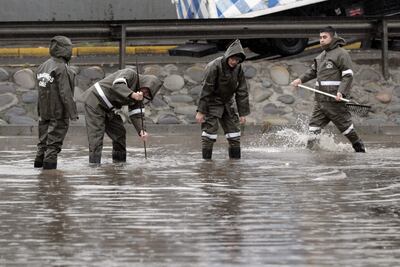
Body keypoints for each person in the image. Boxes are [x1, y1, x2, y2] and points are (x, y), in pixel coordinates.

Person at [291, 26, 366, 152]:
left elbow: (348, 75)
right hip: (320, 101)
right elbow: (312, 71)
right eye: (320, 37)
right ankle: (311, 153)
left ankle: (360, 149)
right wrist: (300, 80)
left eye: (324, 37)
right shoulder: (321, 56)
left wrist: (341, 92)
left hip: (335, 100)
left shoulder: (342, 54)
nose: (321, 40)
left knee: (346, 128)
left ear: (333, 38)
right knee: (313, 128)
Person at [82, 68, 161, 165]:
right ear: (146, 83)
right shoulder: (130, 73)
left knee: (119, 133)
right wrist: (133, 95)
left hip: (110, 109)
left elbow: (136, 114)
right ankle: (94, 166)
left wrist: (142, 130)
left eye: (148, 95)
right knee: (96, 137)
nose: (144, 94)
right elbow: (118, 86)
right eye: (146, 90)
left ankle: (119, 163)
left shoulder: (139, 96)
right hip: (94, 100)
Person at [195, 39, 250, 159]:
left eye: (237, 60)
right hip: (212, 102)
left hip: (227, 102)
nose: (234, 62)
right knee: (209, 134)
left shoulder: (238, 68)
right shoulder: (214, 66)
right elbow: (206, 89)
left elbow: (242, 91)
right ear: (228, 56)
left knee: (234, 133)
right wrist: (201, 111)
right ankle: (206, 164)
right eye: (232, 59)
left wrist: (242, 113)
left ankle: (235, 164)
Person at [34, 36, 78, 169]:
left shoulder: (42, 66)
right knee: (53, 144)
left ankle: (38, 170)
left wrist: (39, 111)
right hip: (58, 112)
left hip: (44, 112)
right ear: (65, 50)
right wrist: (72, 113)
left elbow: (40, 91)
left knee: (42, 142)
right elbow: (66, 92)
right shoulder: (61, 68)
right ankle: (49, 177)